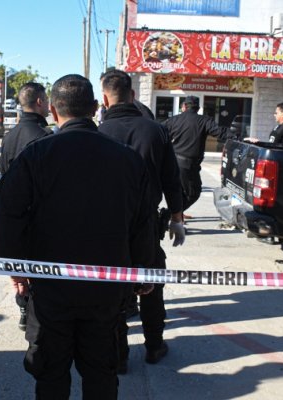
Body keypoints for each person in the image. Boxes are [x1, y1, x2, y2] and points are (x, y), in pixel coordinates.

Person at [0, 74, 155, 400]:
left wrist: (15, 268)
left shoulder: (37, 156)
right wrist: (143, 268)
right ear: (95, 108)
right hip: (106, 290)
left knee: (51, 374)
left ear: (52, 110)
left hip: (52, 289)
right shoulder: (127, 159)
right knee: (101, 373)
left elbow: (6, 213)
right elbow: (144, 219)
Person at [98, 70, 185, 373]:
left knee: (114, 293)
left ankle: (119, 356)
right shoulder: (154, 130)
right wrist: (177, 217)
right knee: (152, 286)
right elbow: (172, 179)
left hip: (107, 227)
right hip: (147, 224)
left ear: (104, 99)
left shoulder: (96, 133)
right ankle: (153, 345)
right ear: (133, 96)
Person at [0, 82, 52, 331]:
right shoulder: (45, 138)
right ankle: (35, 317)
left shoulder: (9, 136)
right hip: (39, 220)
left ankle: (23, 309)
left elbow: (3, 173)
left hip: (15, 219)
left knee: (20, 270)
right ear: (39, 102)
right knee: (39, 273)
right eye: (47, 100)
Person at [163, 96, 235, 213]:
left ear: (184, 107)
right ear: (198, 108)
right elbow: (220, 132)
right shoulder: (204, 120)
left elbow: (159, 134)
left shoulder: (173, 120)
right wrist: (239, 137)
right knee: (193, 193)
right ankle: (172, 215)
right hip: (187, 165)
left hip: (172, 162)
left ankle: (177, 217)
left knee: (179, 192)